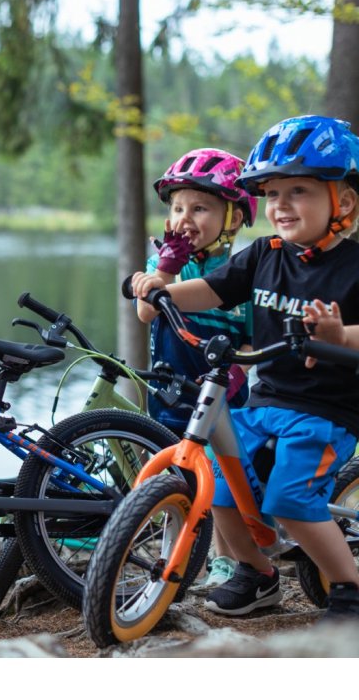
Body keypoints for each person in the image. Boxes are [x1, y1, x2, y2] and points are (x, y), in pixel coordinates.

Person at [131, 115, 359, 622]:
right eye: (273, 193)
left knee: (289, 499)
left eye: (298, 191)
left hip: (326, 410)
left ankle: (350, 588)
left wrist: (340, 336)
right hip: (266, 399)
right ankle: (257, 574)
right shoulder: (264, 254)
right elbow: (212, 291)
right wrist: (163, 290)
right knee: (217, 482)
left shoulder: (353, 267)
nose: (281, 205)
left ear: (342, 203)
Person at [140, 147, 256, 589]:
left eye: (200, 208)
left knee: (222, 479)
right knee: (177, 475)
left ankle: (225, 559)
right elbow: (146, 312)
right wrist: (165, 270)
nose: (184, 218)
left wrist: (240, 369)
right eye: (177, 208)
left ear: (233, 218)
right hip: (170, 390)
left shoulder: (243, 273)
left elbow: (252, 335)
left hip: (222, 395)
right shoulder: (165, 264)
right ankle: (173, 555)